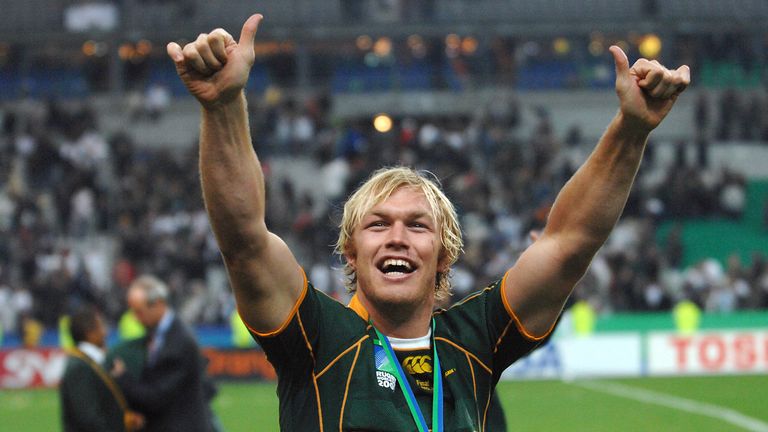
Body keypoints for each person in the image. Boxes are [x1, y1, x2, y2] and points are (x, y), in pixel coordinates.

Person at [166, 13, 689, 431]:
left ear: (445, 253)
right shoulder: (317, 340)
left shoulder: (475, 340)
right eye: (377, 225)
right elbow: (244, 240)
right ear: (349, 251)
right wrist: (225, 105)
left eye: (418, 225)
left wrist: (631, 130)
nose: (397, 236)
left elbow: (569, 242)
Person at [112, 275, 217, 432]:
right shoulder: (160, 336)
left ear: (159, 304)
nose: (135, 318)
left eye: (139, 312)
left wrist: (123, 378)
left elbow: (156, 398)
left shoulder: (179, 342)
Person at [59, 304, 144, 432]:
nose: (106, 332)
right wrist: (122, 425)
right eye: (102, 327)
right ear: (90, 333)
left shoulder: (90, 362)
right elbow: (89, 419)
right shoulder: (79, 367)